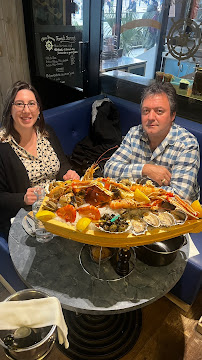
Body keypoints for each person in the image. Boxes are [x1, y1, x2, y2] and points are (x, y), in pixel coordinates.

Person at [0, 81, 79, 237]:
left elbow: (62, 163)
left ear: (38, 109)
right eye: (19, 104)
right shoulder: (3, 146)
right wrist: (22, 198)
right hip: (27, 215)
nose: (26, 110)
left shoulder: (46, 132)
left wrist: (68, 172)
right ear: (10, 109)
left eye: (31, 104)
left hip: (58, 207)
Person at [104, 82, 200, 202]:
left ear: (172, 115)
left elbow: (180, 196)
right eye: (146, 111)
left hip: (176, 214)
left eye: (159, 111)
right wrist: (145, 169)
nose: (150, 117)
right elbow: (109, 170)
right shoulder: (134, 133)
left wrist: (138, 189)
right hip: (136, 205)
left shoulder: (187, 144)